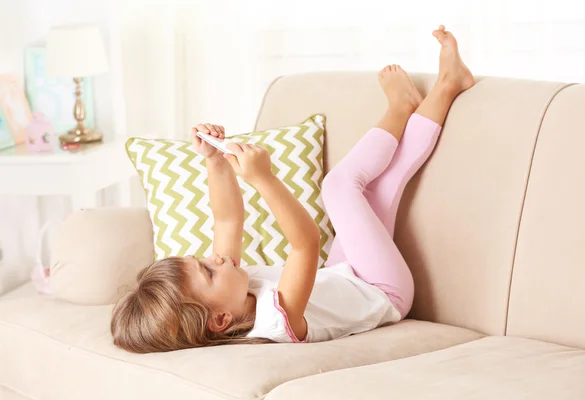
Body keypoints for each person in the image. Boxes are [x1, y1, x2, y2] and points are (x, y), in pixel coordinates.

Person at [111, 25, 475, 353]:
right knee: (340, 186)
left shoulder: (232, 289)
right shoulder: (276, 319)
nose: (215, 258)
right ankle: (404, 105)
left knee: (382, 186)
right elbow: (306, 242)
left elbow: (226, 221)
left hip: (346, 271)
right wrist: (262, 178)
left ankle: (446, 85)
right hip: (384, 290)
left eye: (201, 259)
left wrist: (214, 161)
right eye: (208, 271)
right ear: (220, 320)